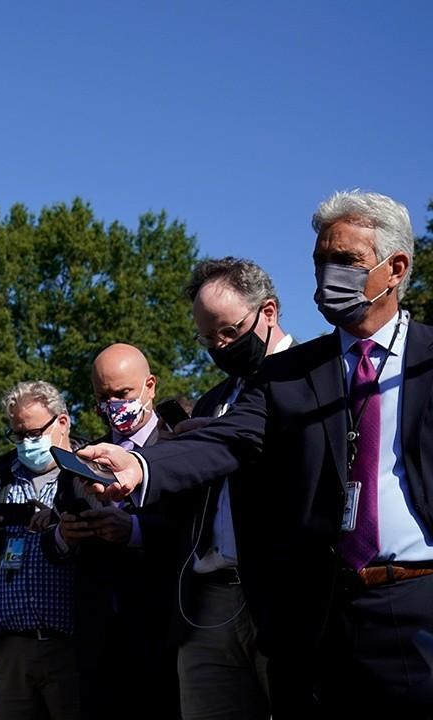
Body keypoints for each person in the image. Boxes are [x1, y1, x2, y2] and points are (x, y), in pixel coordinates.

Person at [81, 190, 433, 715]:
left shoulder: (428, 360)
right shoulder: (290, 375)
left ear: (395, 268)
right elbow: (226, 438)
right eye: (320, 262)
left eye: (346, 262)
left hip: (417, 601)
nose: (328, 276)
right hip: (319, 615)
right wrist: (141, 464)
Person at [173, 258, 292, 719]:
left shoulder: (316, 381)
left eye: (228, 332)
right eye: (207, 338)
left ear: (268, 312)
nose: (220, 346)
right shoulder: (213, 400)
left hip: (282, 596)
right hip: (208, 602)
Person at [48, 344, 178, 720]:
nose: (113, 405)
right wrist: (63, 537)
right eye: (103, 397)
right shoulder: (80, 462)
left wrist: (135, 530)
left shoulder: (181, 451)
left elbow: (192, 531)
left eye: (122, 394)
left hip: (162, 636)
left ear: (149, 386)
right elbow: (55, 542)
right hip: (98, 642)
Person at [0, 381, 82, 720]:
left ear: (62, 422)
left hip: (74, 646)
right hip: (11, 650)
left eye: (34, 433)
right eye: (18, 435)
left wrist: (61, 526)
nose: (27, 443)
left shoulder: (88, 470)